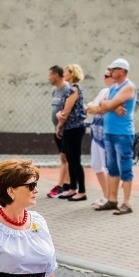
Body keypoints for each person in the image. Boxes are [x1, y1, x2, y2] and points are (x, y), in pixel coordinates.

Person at [97, 58, 136, 215]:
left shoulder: (129, 87)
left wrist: (110, 105)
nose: (111, 72)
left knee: (125, 167)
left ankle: (127, 203)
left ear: (122, 71)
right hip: (110, 132)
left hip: (123, 134)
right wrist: (112, 106)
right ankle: (112, 200)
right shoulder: (113, 87)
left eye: (113, 69)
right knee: (112, 167)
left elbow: (107, 104)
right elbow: (102, 105)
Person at [55, 64, 87, 201]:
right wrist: (59, 115)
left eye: (66, 72)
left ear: (72, 74)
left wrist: (59, 125)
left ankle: (82, 191)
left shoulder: (74, 89)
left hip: (75, 128)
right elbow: (63, 110)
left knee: (75, 160)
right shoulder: (71, 89)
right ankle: (73, 188)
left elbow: (66, 111)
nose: (64, 74)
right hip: (70, 128)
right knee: (70, 159)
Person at [85, 69, 114, 207]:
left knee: (107, 166)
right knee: (96, 165)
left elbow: (102, 109)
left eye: (107, 76)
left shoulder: (116, 93)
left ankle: (110, 197)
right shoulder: (103, 91)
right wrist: (96, 107)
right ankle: (105, 195)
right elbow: (91, 108)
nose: (104, 78)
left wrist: (96, 107)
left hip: (106, 132)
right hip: (96, 131)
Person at [45, 66, 71, 198]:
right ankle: (67, 184)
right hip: (58, 130)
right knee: (64, 158)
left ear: (56, 75)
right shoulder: (55, 91)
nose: (48, 78)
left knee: (65, 157)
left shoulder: (68, 89)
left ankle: (62, 185)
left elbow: (68, 109)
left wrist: (61, 124)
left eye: (50, 75)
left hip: (66, 129)